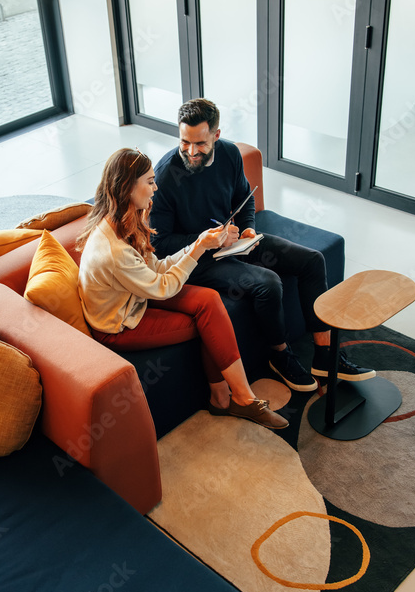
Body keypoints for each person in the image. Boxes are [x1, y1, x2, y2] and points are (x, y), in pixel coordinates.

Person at [148, 98, 375, 392]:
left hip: (235, 243)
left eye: (200, 144)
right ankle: (279, 356)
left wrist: (248, 229)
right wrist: (208, 239)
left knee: (312, 261)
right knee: (268, 283)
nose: (191, 152)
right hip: (196, 260)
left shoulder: (229, 154)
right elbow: (160, 243)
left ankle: (326, 355)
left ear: (216, 136)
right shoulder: (166, 176)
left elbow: (245, 199)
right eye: (184, 143)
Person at [77, 147, 289, 431]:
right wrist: (199, 248)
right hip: (118, 324)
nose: (156, 187)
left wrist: (198, 244)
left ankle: (223, 397)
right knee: (207, 319)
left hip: (136, 295)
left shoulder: (127, 219)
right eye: (150, 181)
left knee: (210, 300)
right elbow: (162, 287)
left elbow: (156, 267)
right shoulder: (113, 250)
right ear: (128, 187)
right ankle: (240, 399)